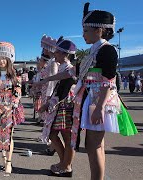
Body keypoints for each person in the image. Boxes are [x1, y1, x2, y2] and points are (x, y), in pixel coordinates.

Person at [35, 3, 138, 179]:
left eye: (86, 30)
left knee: (94, 146)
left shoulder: (107, 50)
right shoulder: (93, 51)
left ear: (99, 30)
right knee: (95, 145)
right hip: (91, 101)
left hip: (99, 102)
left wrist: (99, 107)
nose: (83, 34)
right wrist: (45, 80)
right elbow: (70, 73)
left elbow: (108, 81)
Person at [39, 37, 77, 177]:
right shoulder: (63, 67)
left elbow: (64, 89)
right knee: (54, 135)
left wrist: (50, 103)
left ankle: (66, 166)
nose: (55, 54)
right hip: (61, 104)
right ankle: (64, 164)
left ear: (64, 54)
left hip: (66, 105)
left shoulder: (69, 68)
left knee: (67, 137)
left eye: (57, 52)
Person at [0, 42, 25, 176]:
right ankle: (3, 159)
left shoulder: (14, 74)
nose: (1, 61)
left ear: (8, 59)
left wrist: (10, 106)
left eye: (4, 58)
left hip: (10, 109)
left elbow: (18, 91)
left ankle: (8, 162)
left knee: (9, 135)